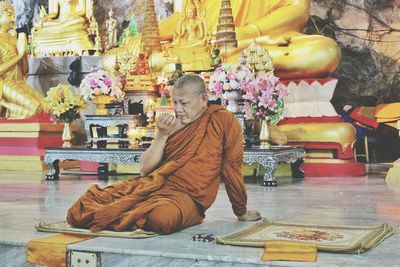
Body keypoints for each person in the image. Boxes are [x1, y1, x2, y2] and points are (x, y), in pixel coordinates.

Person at [67, 74, 261, 234]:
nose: (177, 109)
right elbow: (144, 170)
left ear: (203, 99)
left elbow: (232, 169)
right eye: (175, 102)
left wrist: (240, 210)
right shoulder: (171, 125)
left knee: (161, 219)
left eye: (184, 103)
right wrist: (160, 136)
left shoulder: (223, 121)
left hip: (190, 199)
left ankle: (127, 213)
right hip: (154, 185)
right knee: (82, 206)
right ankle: (126, 212)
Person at [0, 2, 47, 118]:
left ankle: (12, 112)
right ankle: (8, 112)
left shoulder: (14, 39)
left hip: (19, 82)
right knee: (35, 108)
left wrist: (24, 54)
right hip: (6, 83)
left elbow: (25, 71)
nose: (13, 18)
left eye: (13, 15)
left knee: (46, 107)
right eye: (9, 15)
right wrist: (19, 56)